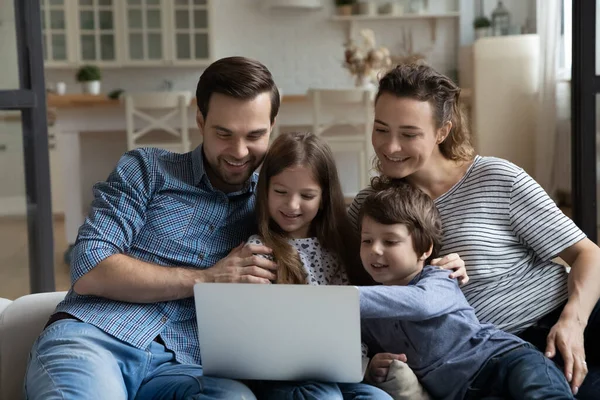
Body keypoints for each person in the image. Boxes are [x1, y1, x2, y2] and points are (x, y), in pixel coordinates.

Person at [24, 56, 282, 399]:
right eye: (224, 134)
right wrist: (207, 278)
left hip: (184, 365)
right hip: (95, 338)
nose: (239, 151)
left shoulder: (274, 205)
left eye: (255, 135)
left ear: (272, 128)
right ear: (200, 121)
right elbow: (89, 269)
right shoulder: (147, 170)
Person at [347, 63, 600, 398]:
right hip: (501, 352)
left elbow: (587, 254)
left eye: (409, 134)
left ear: (442, 131)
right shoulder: (371, 207)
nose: (391, 147)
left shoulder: (496, 177)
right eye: (381, 129)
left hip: (573, 312)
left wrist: (572, 322)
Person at [358, 183, 574, 400]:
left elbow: (421, 304)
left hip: (505, 360)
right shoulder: (368, 316)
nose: (375, 249)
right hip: (465, 394)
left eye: (390, 241)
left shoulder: (439, 277)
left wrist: (344, 298)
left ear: (425, 249)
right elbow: (356, 348)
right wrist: (370, 366)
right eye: (367, 240)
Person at [245, 131, 392, 399]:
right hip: (286, 376)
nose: (292, 204)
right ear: (264, 190)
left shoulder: (343, 246)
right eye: (280, 192)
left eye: (307, 195)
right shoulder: (259, 251)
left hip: (343, 371)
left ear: (324, 197)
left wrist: (366, 367)